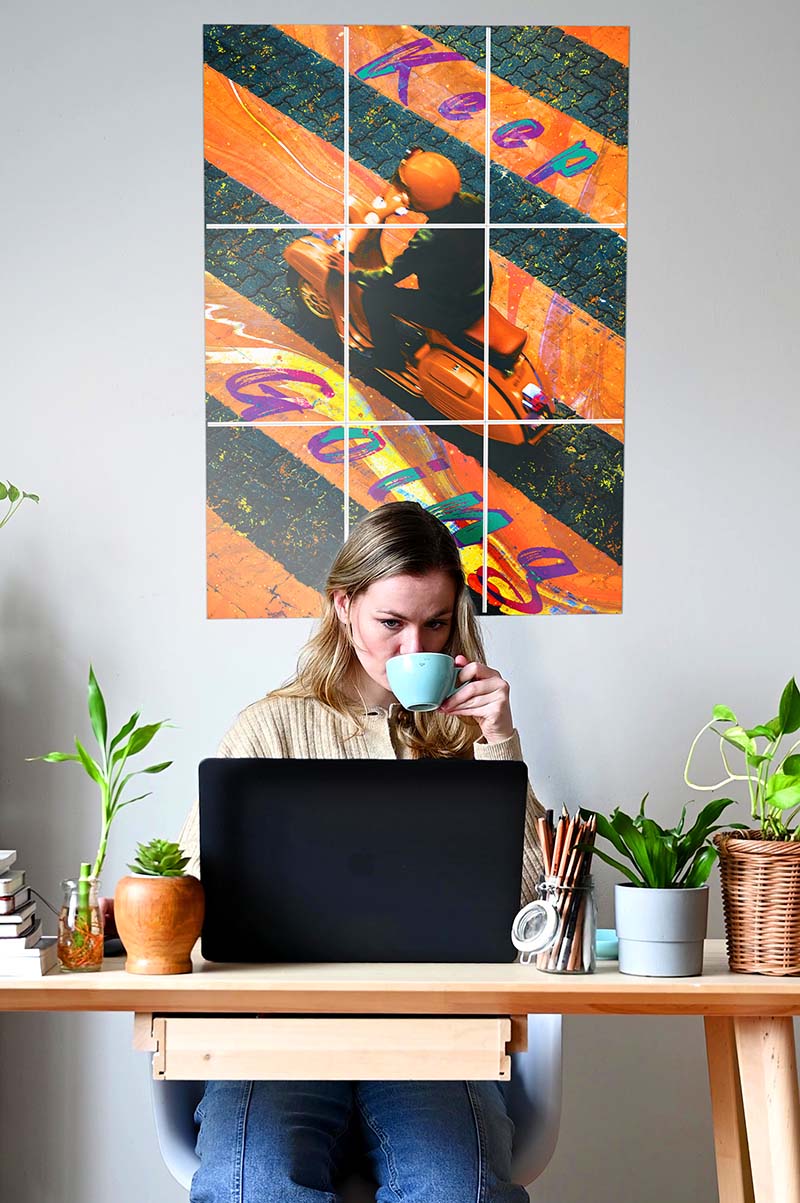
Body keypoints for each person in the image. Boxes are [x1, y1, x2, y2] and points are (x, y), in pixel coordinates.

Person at [179, 501, 544, 1203]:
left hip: (430, 1036)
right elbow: (199, 901)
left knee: (457, 1189)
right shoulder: (267, 729)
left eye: (436, 623)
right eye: (392, 623)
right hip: (276, 1038)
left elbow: (532, 913)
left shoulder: (468, 735)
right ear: (344, 606)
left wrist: (500, 740)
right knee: (248, 1186)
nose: (416, 648)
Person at [351, 148, 489, 373]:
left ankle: (388, 360)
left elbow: (389, 276)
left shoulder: (429, 239)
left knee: (374, 297)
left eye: (409, 192)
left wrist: (352, 272)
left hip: (451, 310)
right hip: (477, 289)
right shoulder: (473, 205)